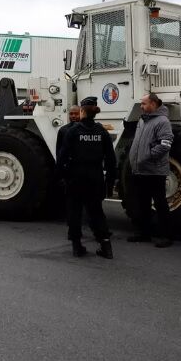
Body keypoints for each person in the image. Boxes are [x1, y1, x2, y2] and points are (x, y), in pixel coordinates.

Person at [56, 97, 115, 259]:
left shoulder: (72, 132)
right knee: (96, 211)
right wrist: (110, 181)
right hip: (95, 177)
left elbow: (62, 157)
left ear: (82, 111)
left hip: (76, 177)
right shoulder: (102, 131)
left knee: (74, 211)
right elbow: (111, 159)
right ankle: (106, 246)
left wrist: (62, 176)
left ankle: (77, 246)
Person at [127, 93, 174, 248]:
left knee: (160, 204)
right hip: (140, 170)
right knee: (143, 203)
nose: (141, 106)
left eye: (144, 103)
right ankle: (144, 233)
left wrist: (147, 156)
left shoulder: (162, 121)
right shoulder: (142, 120)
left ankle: (166, 236)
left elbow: (165, 144)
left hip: (154, 171)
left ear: (153, 104)